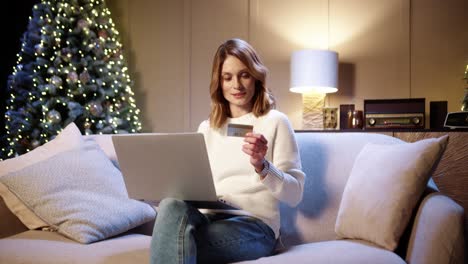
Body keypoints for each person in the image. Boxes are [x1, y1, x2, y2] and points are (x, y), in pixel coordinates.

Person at [150, 38, 305, 264]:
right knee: (170, 204)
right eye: (227, 77)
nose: (237, 85)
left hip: (255, 226)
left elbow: (295, 195)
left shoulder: (276, 122)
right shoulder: (207, 128)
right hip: (209, 217)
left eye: (244, 75)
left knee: (171, 243)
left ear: (256, 76)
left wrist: (263, 166)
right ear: (219, 82)